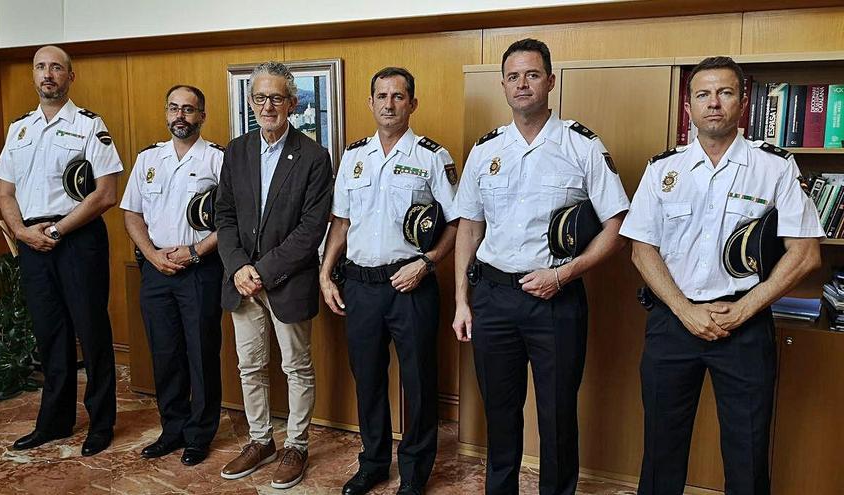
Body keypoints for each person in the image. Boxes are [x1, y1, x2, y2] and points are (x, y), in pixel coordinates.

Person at [620, 56, 823, 495]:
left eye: (726, 93)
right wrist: (685, 311)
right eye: (703, 94)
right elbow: (640, 249)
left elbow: (805, 254)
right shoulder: (663, 170)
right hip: (672, 325)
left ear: (743, 103)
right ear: (688, 106)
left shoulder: (775, 167)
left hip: (745, 326)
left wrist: (744, 309)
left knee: (748, 452)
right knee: (660, 451)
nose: (714, 103)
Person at [452, 38, 630, 495]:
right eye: (513, 77)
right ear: (504, 86)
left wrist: (563, 275)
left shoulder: (581, 146)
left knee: (556, 413)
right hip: (492, 298)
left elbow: (617, 224)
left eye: (532, 75)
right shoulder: (485, 150)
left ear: (550, 81)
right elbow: (469, 229)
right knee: (500, 411)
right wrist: (461, 302)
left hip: (556, 298)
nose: (522, 84)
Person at [320, 66, 459, 495]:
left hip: (411, 284)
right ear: (370, 102)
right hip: (360, 285)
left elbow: (457, 222)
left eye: (398, 96)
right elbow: (341, 222)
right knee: (368, 378)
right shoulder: (353, 157)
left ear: (412, 104)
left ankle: (415, 472)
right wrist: (326, 273)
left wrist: (429, 262)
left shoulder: (433, 157)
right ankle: (374, 463)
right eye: (381, 96)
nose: (389, 104)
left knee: (418, 382)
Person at [0, 45, 121, 456]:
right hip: (32, 242)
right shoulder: (20, 129)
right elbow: (6, 192)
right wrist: (21, 231)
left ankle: (101, 424)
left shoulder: (88, 125)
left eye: (56, 68)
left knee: (92, 332)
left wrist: (58, 229)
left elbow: (106, 193)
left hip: (77, 239)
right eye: (41, 67)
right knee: (50, 336)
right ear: (34, 75)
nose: (48, 74)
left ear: (70, 76)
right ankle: (55, 422)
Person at [215, 61, 333, 489]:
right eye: (260, 98)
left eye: (277, 98)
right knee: (250, 367)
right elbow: (224, 217)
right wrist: (238, 268)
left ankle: (296, 446)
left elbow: (311, 229)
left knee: (296, 367)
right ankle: (261, 439)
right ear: (251, 103)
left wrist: (261, 270)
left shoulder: (315, 156)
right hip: (242, 283)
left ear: (293, 103)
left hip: (287, 282)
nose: (268, 106)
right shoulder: (236, 151)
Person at [120, 85, 225, 466]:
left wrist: (195, 251)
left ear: (202, 115)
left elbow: (230, 221)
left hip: (199, 271)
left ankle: (200, 434)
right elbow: (131, 213)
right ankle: (173, 429)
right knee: (164, 354)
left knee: (201, 354)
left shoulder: (217, 160)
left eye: (189, 110)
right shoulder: (149, 158)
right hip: (156, 271)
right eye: (174, 108)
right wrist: (151, 255)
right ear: (167, 113)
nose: (180, 115)